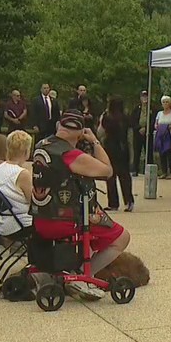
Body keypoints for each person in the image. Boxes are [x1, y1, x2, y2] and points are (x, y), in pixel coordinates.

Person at [31, 111, 130, 299]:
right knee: (121, 237)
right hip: (67, 220)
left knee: (94, 231)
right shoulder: (71, 155)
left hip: (41, 218)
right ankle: (81, 276)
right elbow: (107, 171)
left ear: (59, 126)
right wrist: (94, 141)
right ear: (80, 133)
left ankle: (71, 272)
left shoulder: (41, 146)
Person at [0, 131, 34, 238]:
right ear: (26, 151)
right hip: (21, 223)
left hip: (4, 222)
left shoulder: (0, 167)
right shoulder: (22, 174)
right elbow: (34, 202)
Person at [100, 97, 135, 212]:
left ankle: (113, 203)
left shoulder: (107, 117)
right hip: (123, 148)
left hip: (110, 148)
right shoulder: (125, 118)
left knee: (111, 176)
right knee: (125, 176)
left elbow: (100, 132)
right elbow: (130, 134)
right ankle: (129, 201)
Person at [152, 95, 171, 178]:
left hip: (170, 137)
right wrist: (161, 127)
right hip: (160, 137)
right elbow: (156, 124)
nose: (165, 104)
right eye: (163, 102)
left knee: (170, 155)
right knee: (161, 155)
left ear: (170, 103)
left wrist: (164, 126)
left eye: (167, 102)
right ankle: (164, 172)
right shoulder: (159, 113)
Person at [131, 90, 151, 175]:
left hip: (148, 133)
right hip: (138, 133)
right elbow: (132, 120)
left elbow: (153, 120)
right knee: (136, 151)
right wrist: (139, 128)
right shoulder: (136, 108)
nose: (145, 98)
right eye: (143, 96)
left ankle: (148, 170)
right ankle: (135, 170)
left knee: (148, 152)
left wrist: (146, 128)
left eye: (146, 96)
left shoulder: (151, 108)